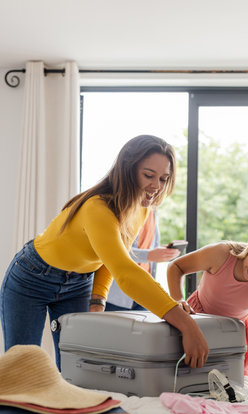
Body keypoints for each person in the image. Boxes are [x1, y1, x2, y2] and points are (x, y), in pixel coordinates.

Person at [0, 135, 208, 370]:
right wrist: (187, 325)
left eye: (163, 178)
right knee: (23, 368)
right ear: (128, 170)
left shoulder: (141, 209)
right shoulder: (97, 208)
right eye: (149, 176)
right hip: (32, 277)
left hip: (78, 284)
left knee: (74, 369)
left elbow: (109, 260)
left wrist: (98, 300)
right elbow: (126, 272)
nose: (157, 186)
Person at [167, 225, 248, 391]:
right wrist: (177, 300)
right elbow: (175, 267)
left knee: (229, 391)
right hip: (196, 323)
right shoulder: (221, 254)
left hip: (233, 338)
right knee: (189, 381)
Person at [106, 207, 180, 311]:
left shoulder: (153, 210)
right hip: (118, 295)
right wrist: (148, 255)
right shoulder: (123, 208)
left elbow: (148, 246)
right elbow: (112, 249)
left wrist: (160, 253)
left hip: (144, 292)